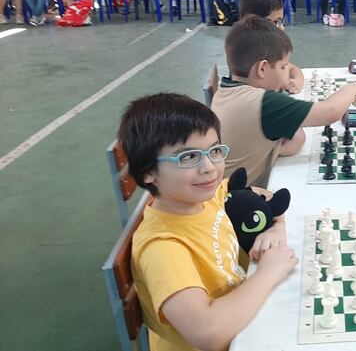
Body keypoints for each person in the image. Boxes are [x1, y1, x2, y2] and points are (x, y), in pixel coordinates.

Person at [120, 92, 297, 351]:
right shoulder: (163, 247)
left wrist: (275, 228)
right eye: (188, 157)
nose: (209, 168)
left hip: (245, 320)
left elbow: (264, 197)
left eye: (215, 151)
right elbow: (208, 332)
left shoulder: (205, 197)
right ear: (148, 172)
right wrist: (268, 274)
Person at [211, 15, 356, 187]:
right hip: (237, 203)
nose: (287, 72)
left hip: (228, 192)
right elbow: (330, 112)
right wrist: (354, 88)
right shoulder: (263, 103)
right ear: (262, 68)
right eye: (283, 67)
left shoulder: (226, 91)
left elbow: (297, 138)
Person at [238, 0, 305, 94]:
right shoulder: (251, 55)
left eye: (281, 21)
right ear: (255, 22)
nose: (282, 27)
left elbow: (293, 69)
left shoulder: (266, 46)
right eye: (276, 22)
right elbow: (330, 107)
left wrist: (296, 82)